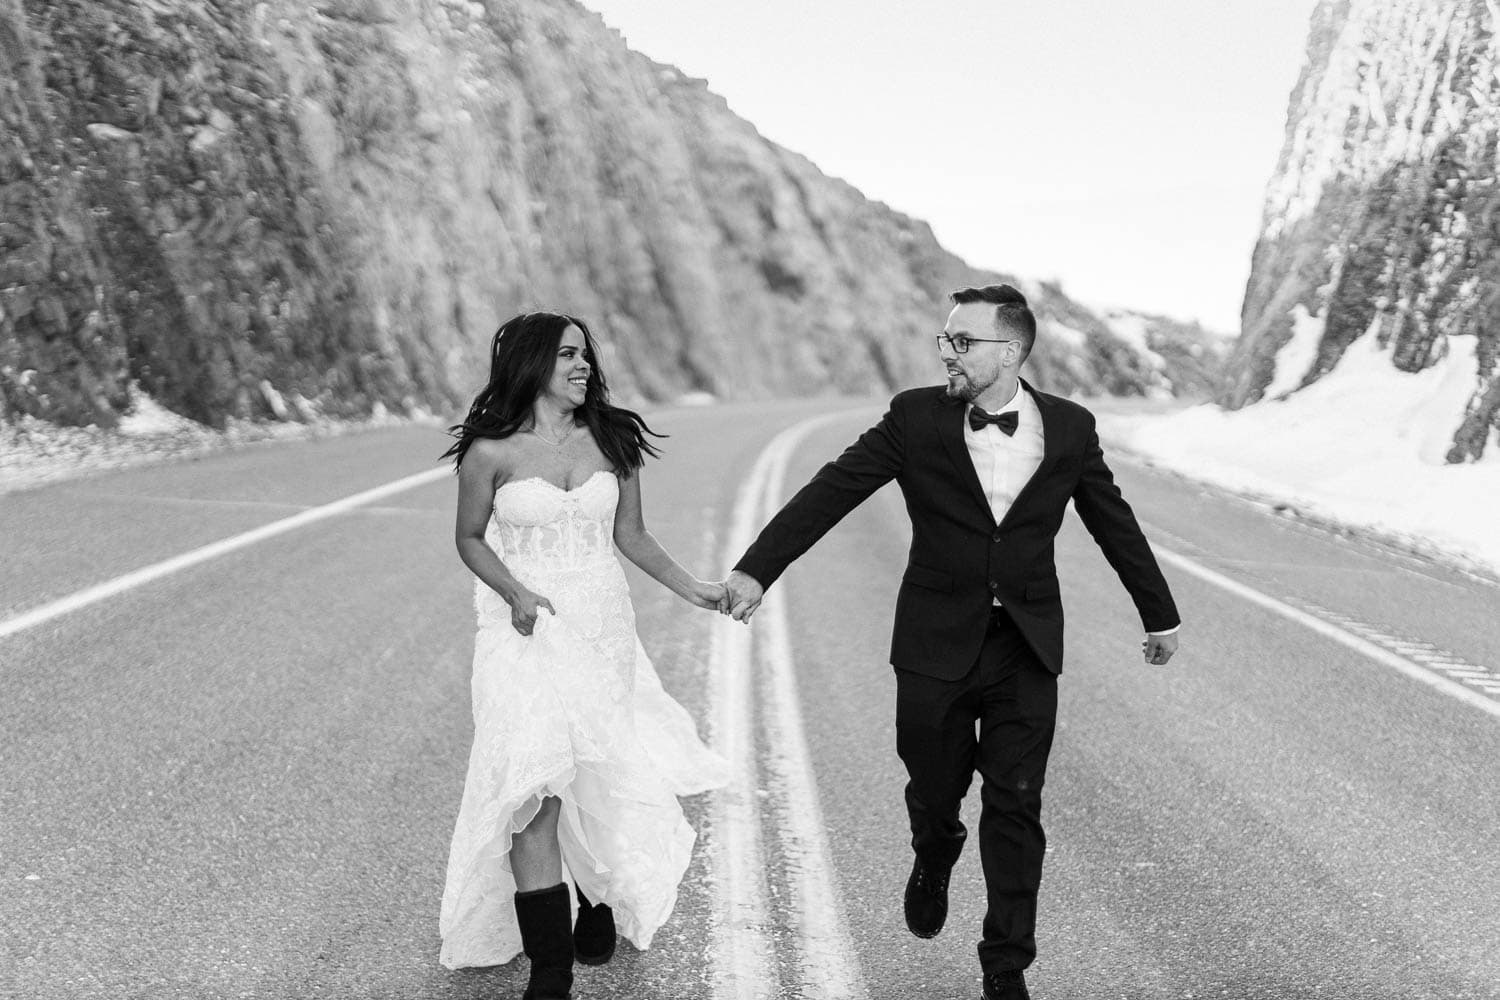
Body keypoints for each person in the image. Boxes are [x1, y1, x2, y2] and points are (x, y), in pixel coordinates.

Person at [722, 284, 1181, 1000]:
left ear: (1013, 351)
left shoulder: (1068, 427)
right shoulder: (915, 419)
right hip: (935, 643)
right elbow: (832, 490)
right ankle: (934, 851)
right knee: (935, 790)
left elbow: (1111, 519)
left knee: (1016, 802)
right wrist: (757, 570)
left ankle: (1006, 968)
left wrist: (1159, 612)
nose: (948, 353)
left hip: (1025, 645)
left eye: (963, 342)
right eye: (946, 340)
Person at [439, 311, 728, 1000]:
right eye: (568, 355)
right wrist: (514, 590)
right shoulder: (490, 452)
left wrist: (696, 588)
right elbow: (471, 538)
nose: (583, 367)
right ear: (534, 364)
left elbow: (632, 534)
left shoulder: (613, 439)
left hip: (600, 626)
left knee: (593, 774)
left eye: (586, 356)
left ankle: (596, 899)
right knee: (533, 784)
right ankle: (550, 970)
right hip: (522, 631)